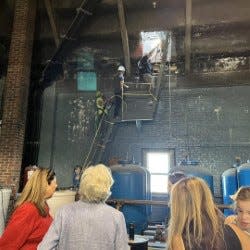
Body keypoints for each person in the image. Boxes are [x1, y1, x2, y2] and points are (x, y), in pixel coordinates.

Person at [38, 164, 129, 250]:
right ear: (107, 186)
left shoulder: (64, 212)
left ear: (83, 184)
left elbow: (44, 248)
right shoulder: (117, 217)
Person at [167, 177, 242, 250]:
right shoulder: (233, 230)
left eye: (173, 201)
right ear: (207, 198)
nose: (169, 204)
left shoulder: (178, 239)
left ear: (180, 206)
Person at [0, 167, 57, 250]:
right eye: (54, 182)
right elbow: (7, 245)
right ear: (44, 185)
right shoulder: (28, 210)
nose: (56, 185)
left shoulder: (43, 206)